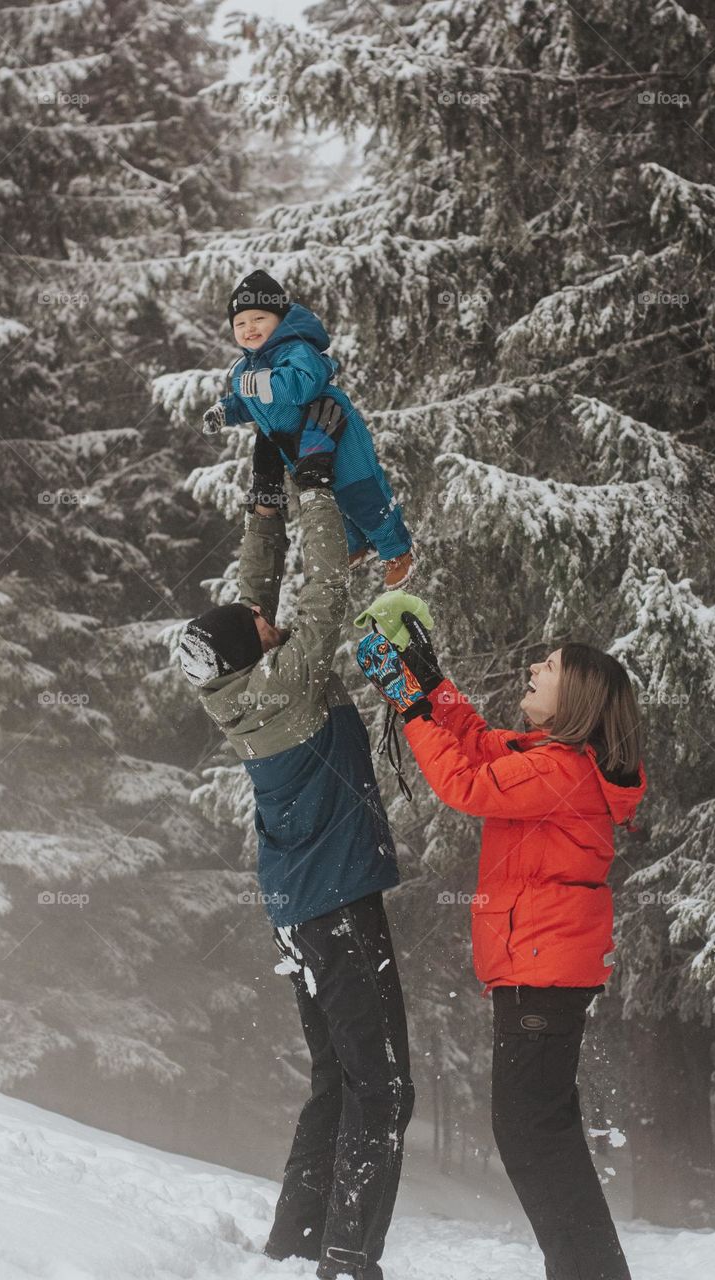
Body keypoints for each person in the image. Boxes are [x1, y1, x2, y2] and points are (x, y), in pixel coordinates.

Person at [178, 442, 414, 1280]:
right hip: (337, 910)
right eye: (264, 632)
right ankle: (348, 1258)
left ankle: (295, 1242)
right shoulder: (286, 680)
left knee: (336, 1076)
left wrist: (264, 504)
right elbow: (322, 594)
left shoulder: (244, 682)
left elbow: (257, 601)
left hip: (302, 909)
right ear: (257, 651)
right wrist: (315, 488)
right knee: (382, 1089)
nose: (269, 622)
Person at [356, 608, 647, 1280]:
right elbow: (481, 745)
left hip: (542, 974)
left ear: (573, 696)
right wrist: (430, 686)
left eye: (546, 669)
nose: (532, 670)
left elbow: (464, 784)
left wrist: (406, 705)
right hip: (540, 971)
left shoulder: (562, 771)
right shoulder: (552, 761)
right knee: (540, 1132)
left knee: (529, 1134)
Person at [202, 268, 415, 589]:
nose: (249, 329)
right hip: (299, 445)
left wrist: (263, 382)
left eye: (258, 319)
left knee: (360, 492)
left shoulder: (295, 348)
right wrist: (226, 411)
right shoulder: (245, 369)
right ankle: (357, 544)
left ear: (279, 318)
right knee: (329, 497)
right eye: (240, 323)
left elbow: (304, 383)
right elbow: (252, 403)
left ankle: (397, 548)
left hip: (334, 429)